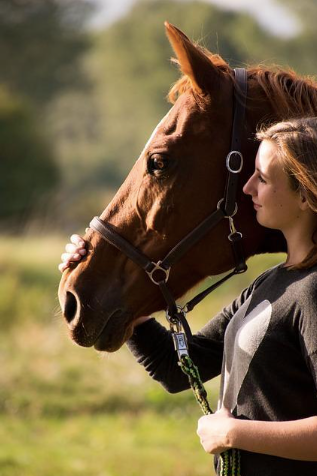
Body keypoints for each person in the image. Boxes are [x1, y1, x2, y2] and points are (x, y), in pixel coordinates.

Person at [59, 117, 317, 475]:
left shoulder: (313, 292)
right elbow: (176, 368)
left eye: (263, 177)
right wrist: (95, 278)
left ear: (304, 193)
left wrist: (234, 432)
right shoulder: (270, 283)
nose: (247, 188)